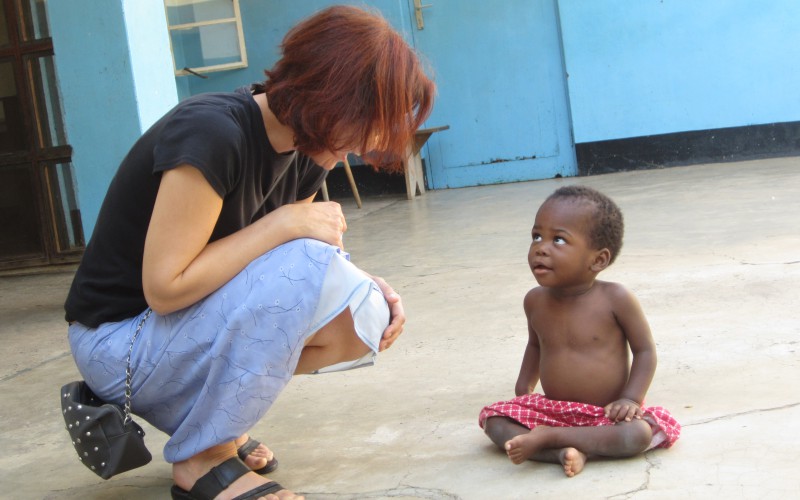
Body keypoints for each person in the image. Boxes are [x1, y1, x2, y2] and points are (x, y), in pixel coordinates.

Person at [64, 5, 434, 499]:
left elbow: (290, 265)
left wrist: (367, 286)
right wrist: (283, 223)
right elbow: (164, 288)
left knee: (363, 313)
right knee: (306, 261)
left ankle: (217, 423)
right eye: (368, 122)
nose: (367, 143)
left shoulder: (307, 154)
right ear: (332, 97)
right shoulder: (214, 132)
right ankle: (203, 457)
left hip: (179, 337)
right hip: (117, 343)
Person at [479, 185, 680, 477]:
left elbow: (645, 351)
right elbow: (536, 345)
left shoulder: (616, 299)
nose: (541, 247)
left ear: (598, 260)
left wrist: (631, 399)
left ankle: (550, 439)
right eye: (537, 236)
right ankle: (564, 452)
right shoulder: (534, 301)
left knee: (636, 435)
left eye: (558, 239)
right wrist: (524, 386)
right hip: (554, 411)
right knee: (494, 421)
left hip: (607, 413)